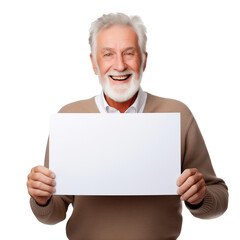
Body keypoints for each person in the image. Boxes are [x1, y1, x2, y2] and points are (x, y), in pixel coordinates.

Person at [27, 13, 228, 240]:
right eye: (108, 54)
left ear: (144, 59)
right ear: (94, 63)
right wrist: (40, 199)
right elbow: (54, 212)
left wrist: (200, 196)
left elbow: (219, 199)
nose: (120, 65)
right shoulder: (70, 117)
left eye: (129, 53)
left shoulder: (178, 114)